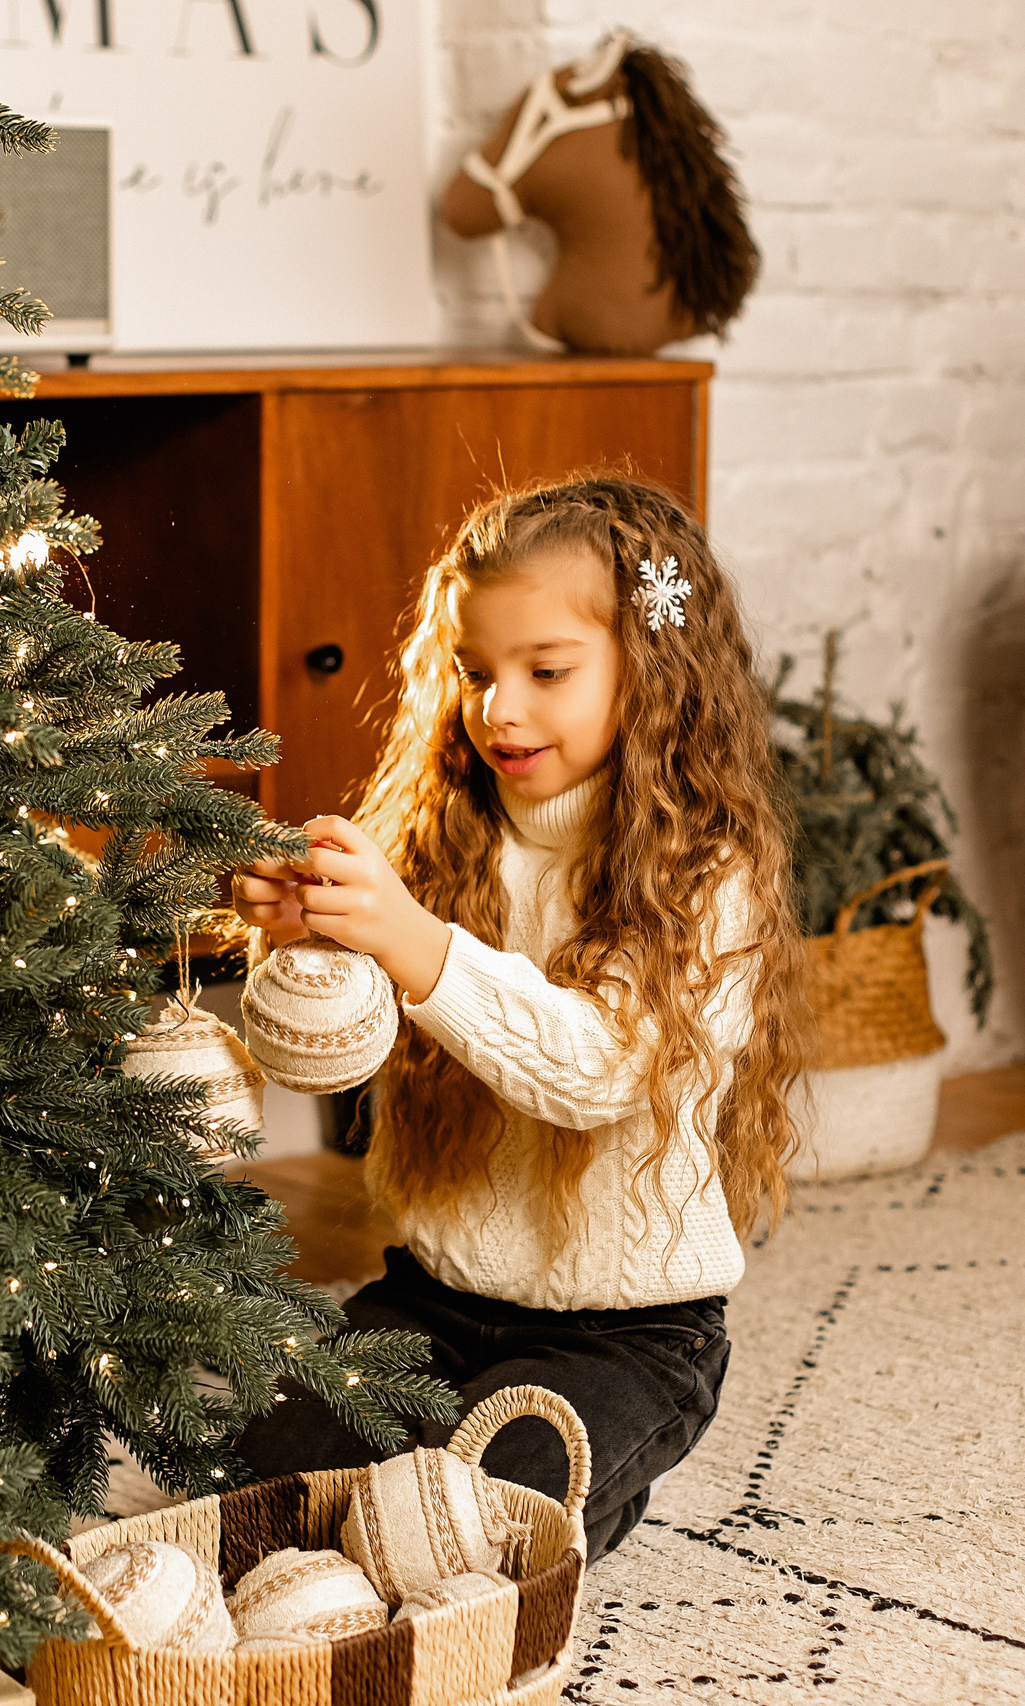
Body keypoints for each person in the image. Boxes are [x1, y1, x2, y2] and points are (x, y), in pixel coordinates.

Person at [227, 474, 808, 1556]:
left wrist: (412, 943)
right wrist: (307, 950)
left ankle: (577, 1497)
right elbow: (328, 1072)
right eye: (473, 671)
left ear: (654, 670)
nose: (498, 707)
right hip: (433, 1301)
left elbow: (594, 1069)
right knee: (256, 1500)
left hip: (626, 1336)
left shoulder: (708, 873)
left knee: (465, 1536)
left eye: (546, 671)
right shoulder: (439, 833)